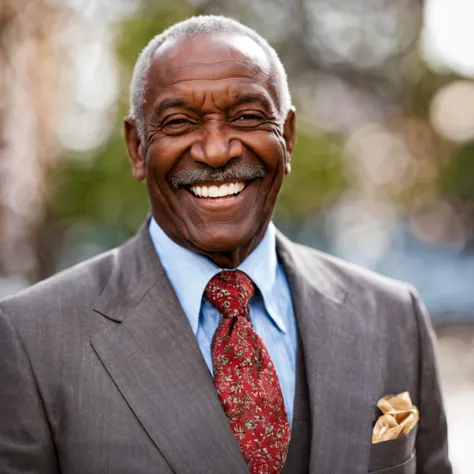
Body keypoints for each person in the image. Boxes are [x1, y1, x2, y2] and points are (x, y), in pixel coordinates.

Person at [0, 15, 451, 474]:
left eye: (248, 117)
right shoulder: (32, 340)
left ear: (288, 138)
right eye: (178, 123)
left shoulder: (395, 318)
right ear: (137, 148)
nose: (216, 151)